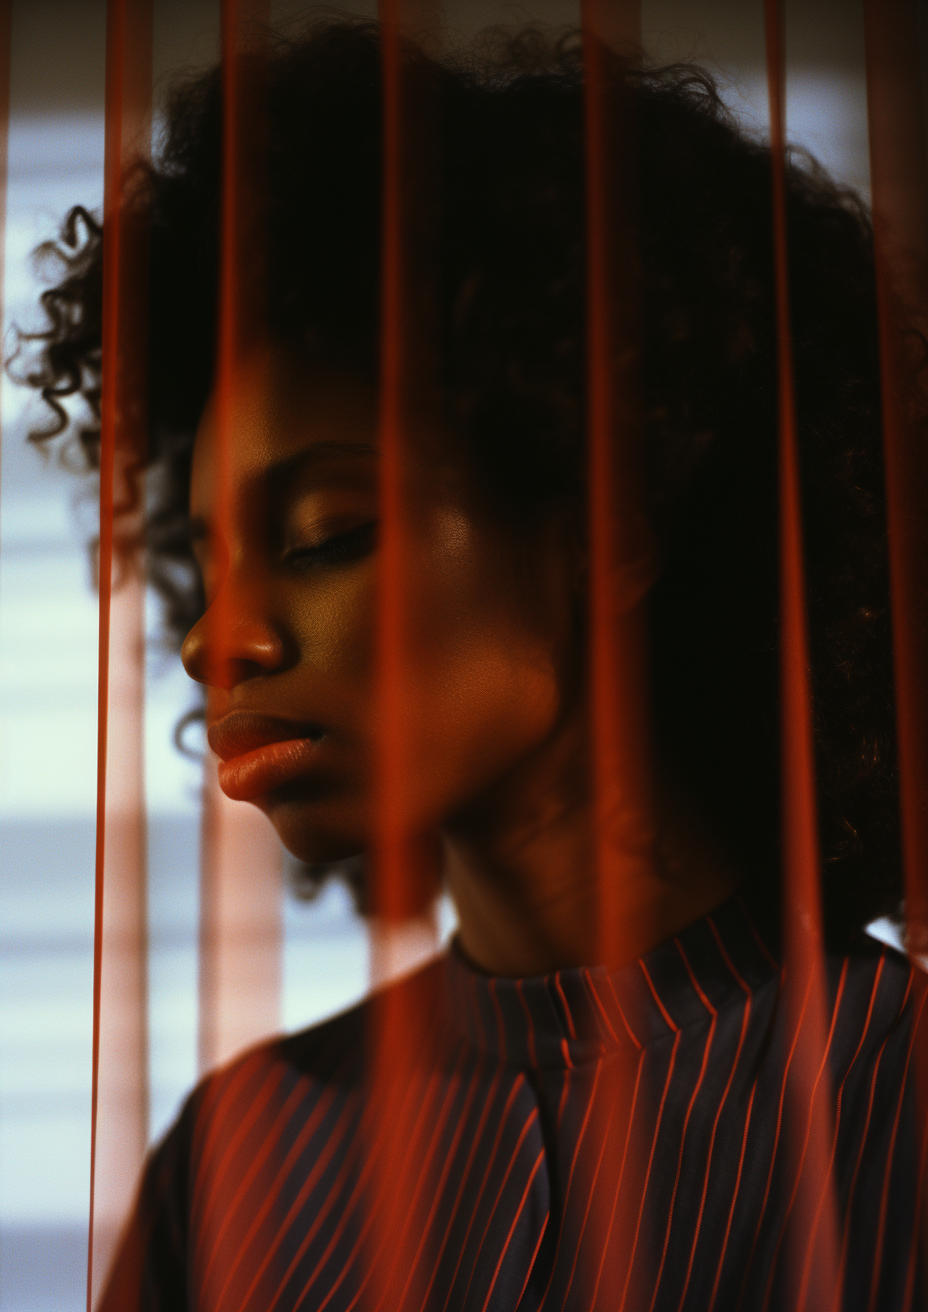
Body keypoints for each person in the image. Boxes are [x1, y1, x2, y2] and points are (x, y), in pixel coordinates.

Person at [19, 18, 925, 1311]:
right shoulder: (233, 1165)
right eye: (208, 564)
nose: (221, 638)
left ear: (608, 532)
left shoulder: (899, 1113)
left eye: (327, 533)